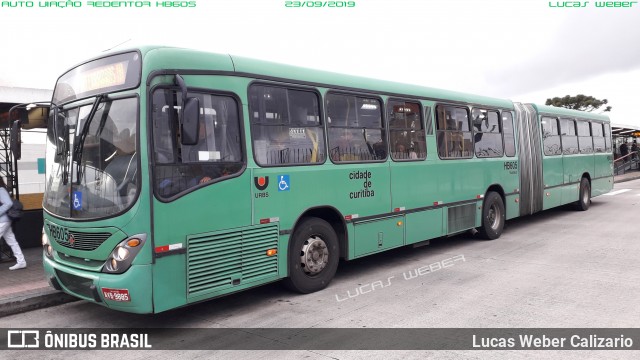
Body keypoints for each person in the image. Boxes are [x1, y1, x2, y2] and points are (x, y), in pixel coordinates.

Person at [0, 177, 26, 270]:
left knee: (12, 241)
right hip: (5, 220)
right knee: (12, 241)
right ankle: (21, 261)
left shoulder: (1, 190)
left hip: (3, 220)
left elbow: (8, 203)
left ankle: (21, 261)